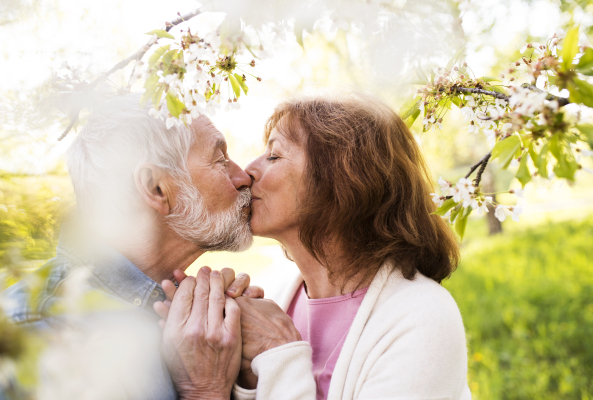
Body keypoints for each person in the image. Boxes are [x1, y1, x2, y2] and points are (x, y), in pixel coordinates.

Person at [158, 93, 471, 400]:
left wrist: (276, 352)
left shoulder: (422, 318)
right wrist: (245, 374)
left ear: (342, 181)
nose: (247, 172)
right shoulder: (272, 294)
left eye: (274, 156)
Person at [1, 93, 263, 400]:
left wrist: (248, 378)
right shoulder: (42, 330)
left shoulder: (196, 315)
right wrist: (205, 391)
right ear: (156, 188)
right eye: (220, 160)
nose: (243, 176)